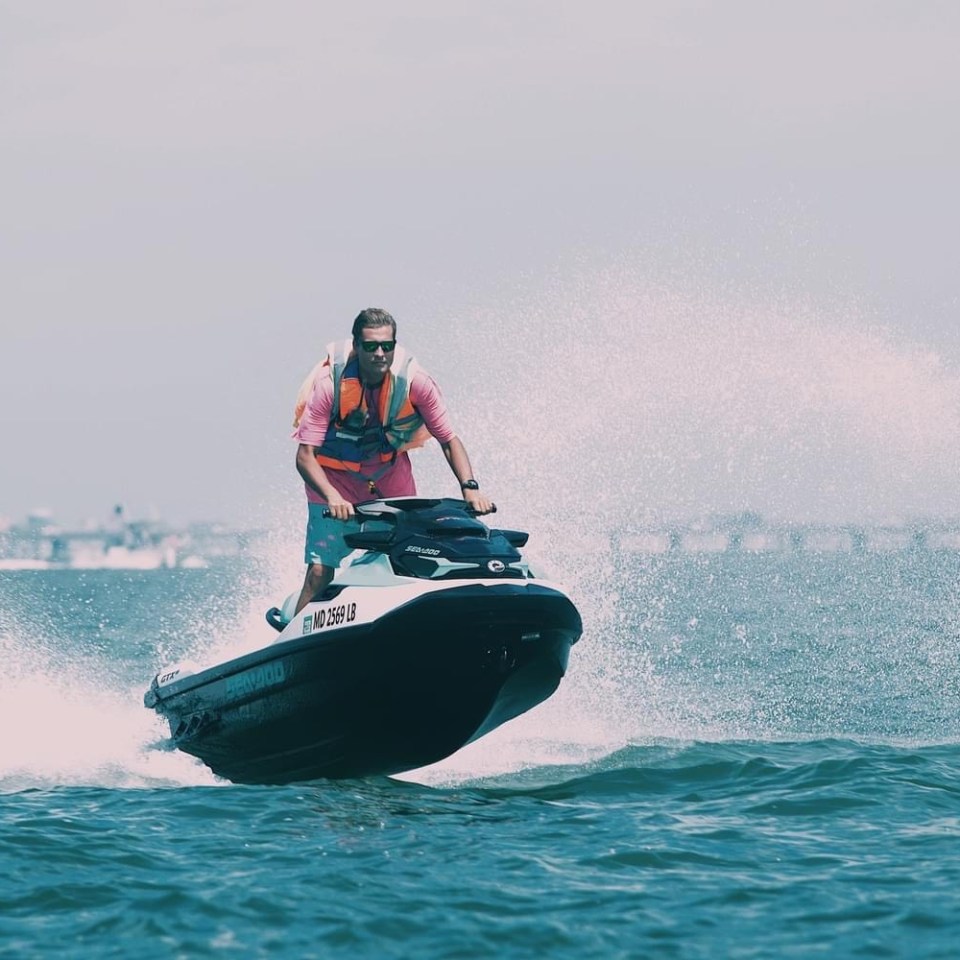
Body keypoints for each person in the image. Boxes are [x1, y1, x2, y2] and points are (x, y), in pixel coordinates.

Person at [292, 308, 494, 614]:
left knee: (408, 559)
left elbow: (449, 441)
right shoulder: (329, 386)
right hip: (333, 481)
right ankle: (294, 642)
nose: (379, 353)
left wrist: (470, 488)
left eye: (387, 345)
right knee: (320, 572)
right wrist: (333, 497)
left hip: (389, 476)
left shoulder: (416, 383)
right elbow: (305, 458)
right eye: (371, 346)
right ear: (357, 346)